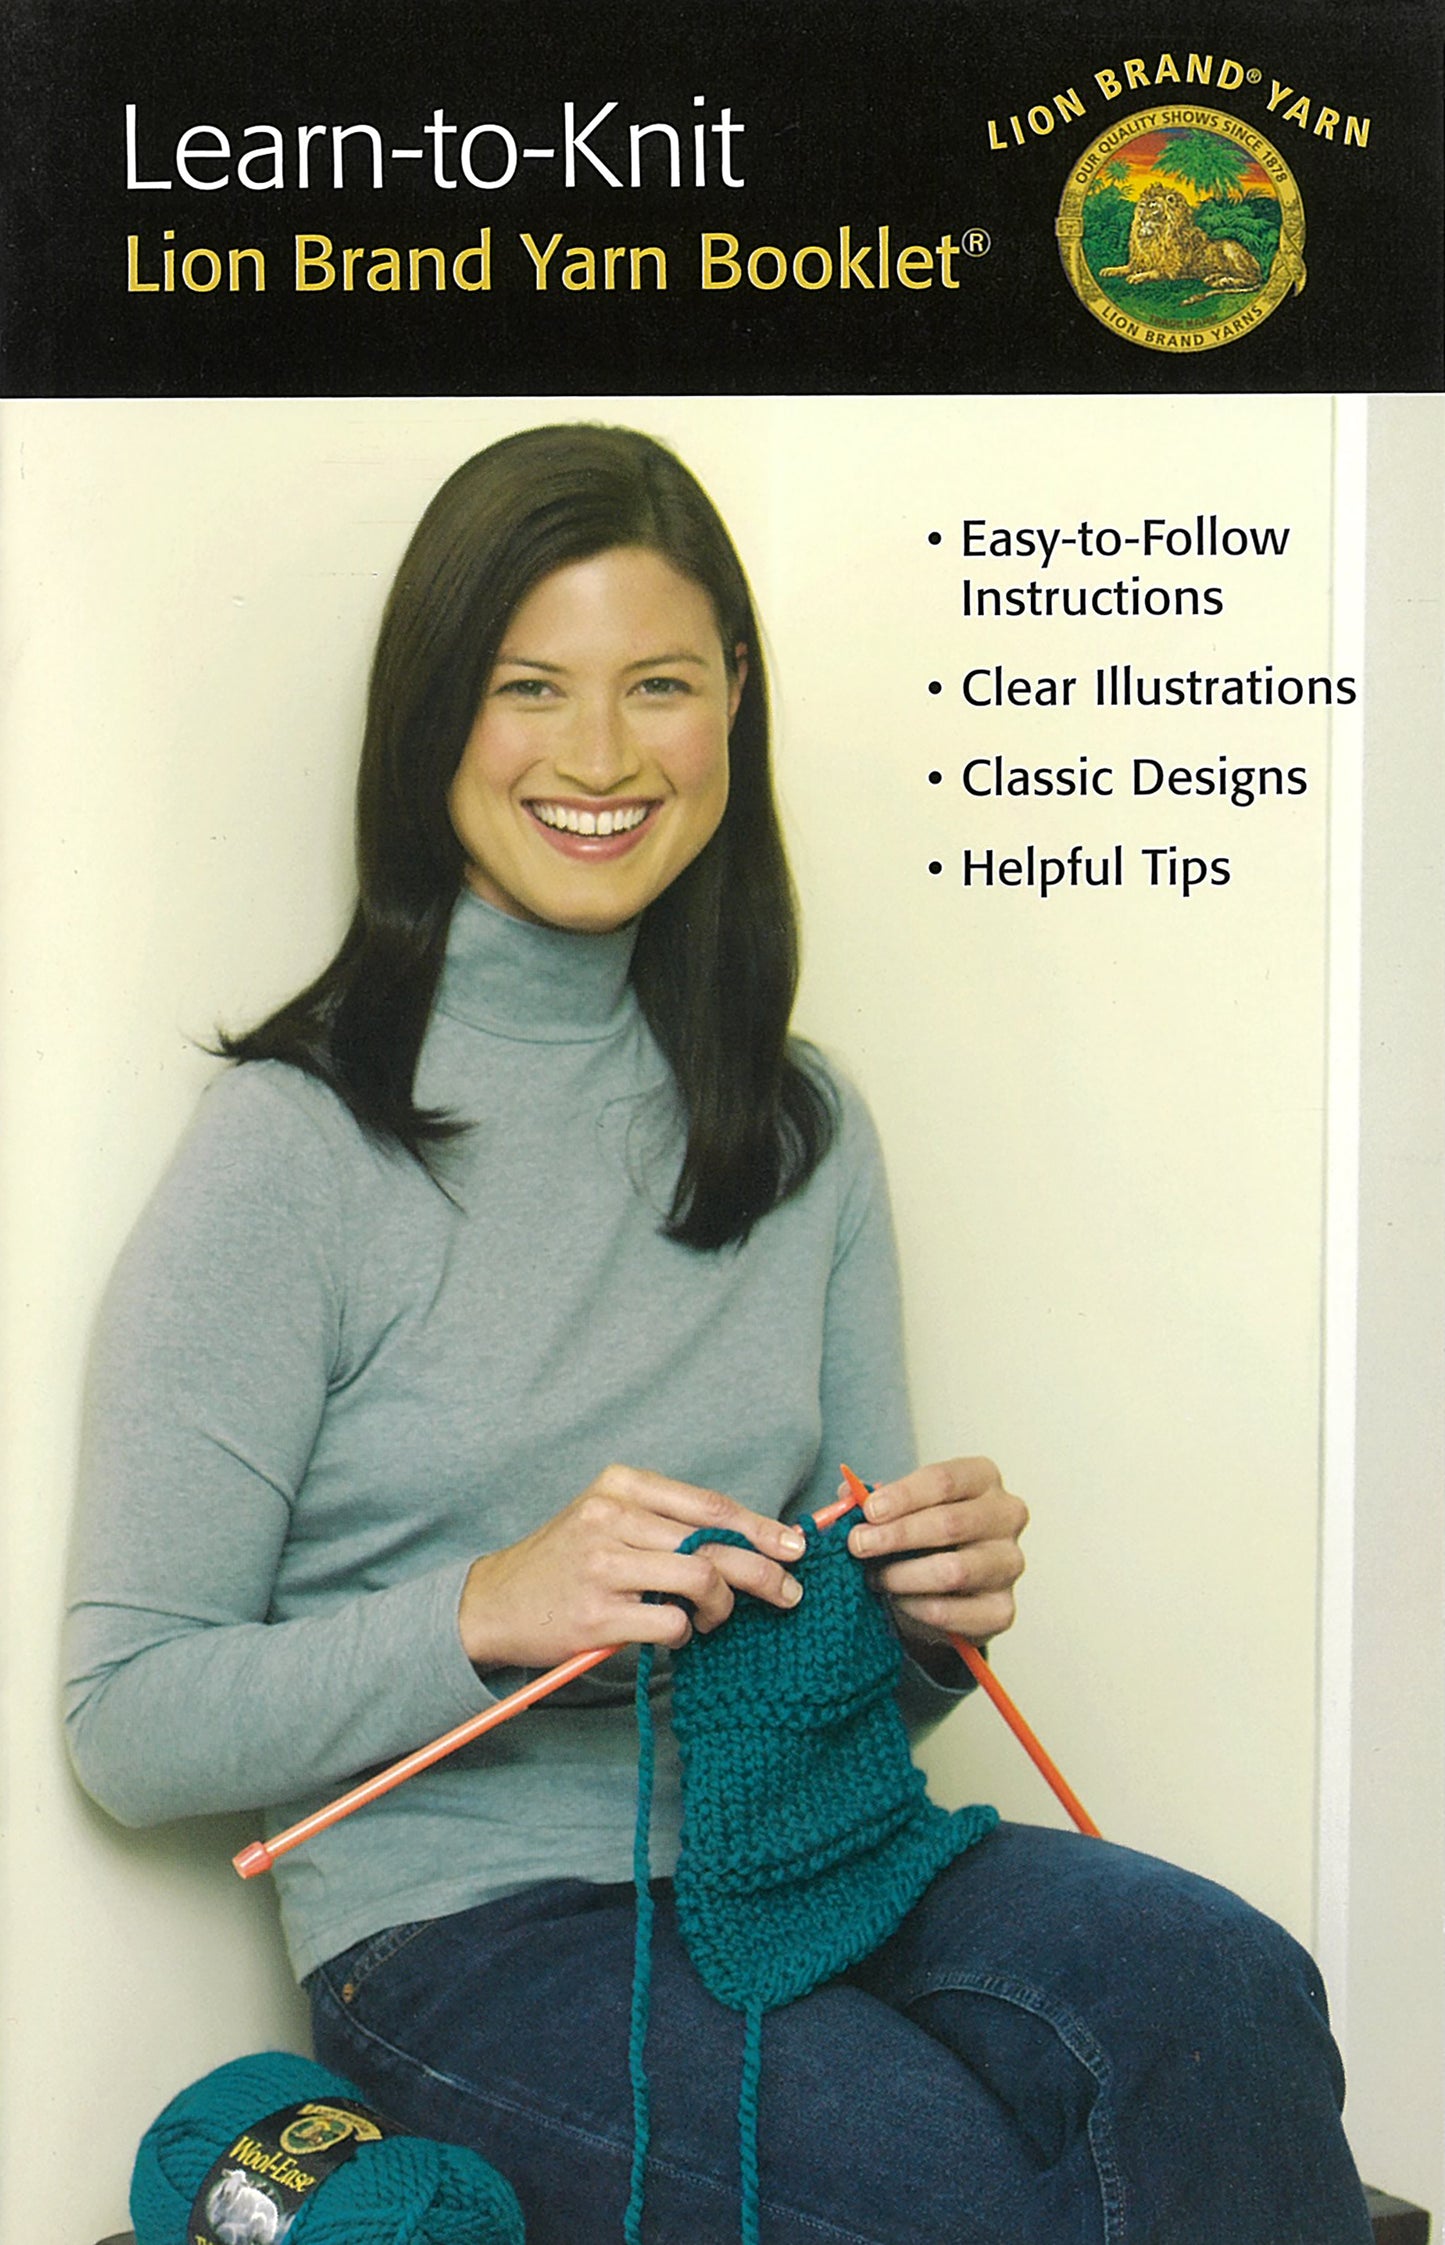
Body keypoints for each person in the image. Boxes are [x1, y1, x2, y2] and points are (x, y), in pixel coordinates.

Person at [64, 424, 1371, 2244]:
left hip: (826, 1848)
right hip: (465, 1929)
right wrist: (484, 1607)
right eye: (530, 686)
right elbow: (125, 1719)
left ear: (731, 706)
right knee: (950, 2189)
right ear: (431, 716)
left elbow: (855, 1656)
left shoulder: (801, 1124)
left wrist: (921, 1613)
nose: (601, 756)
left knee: (1223, 1988)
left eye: (658, 685)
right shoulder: (293, 1148)